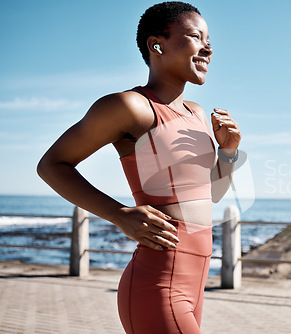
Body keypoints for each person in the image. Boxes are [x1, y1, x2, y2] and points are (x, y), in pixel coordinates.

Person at [37, 2, 241, 333]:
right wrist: (120, 215)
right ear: (155, 44)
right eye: (194, 36)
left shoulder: (198, 114)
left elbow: (213, 193)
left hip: (196, 284)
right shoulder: (131, 107)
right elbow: (51, 165)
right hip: (157, 284)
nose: (208, 48)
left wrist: (228, 151)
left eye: (209, 39)